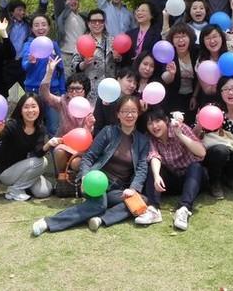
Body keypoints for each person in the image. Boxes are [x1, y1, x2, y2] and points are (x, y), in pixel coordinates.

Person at [32, 96, 149, 236]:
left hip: (118, 189)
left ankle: (100, 219)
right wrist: (85, 176)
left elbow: (142, 167)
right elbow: (89, 157)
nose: (129, 115)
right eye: (125, 111)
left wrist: (133, 188)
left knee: (141, 200)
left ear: (138, 113)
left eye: (133, 111)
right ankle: (49, 222)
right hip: (96, 180)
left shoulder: (142, 140)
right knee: (99, 204)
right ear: (118, 114)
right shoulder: (108, 132)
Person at [135, 108, 206, 230]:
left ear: (166, 120)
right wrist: (157, 176)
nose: (154, 126)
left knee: (196, 167)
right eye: (150, 123)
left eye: (158, 121)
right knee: (152, 167)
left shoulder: (181, 128)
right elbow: (154, 156)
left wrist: (180, 135)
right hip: (169, 182)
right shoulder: (149, 138)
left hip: (191, 180)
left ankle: (183, 209)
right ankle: (154, 210)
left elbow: (201, 152)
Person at [0, 94, 53, 201]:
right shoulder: (12, 125)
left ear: (39, 109)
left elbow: (38, 153)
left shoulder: (40, 128)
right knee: (42, 161)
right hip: (6, 172)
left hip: (25, 169)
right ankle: (15, 190)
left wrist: (49, 144)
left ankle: (23, 186)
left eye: (33, 106)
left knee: (44, 192)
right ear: (20, 110)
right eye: (26, 107)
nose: (30, 110)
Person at [40, 57, 95, 174]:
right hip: (63, 142)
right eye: (70, 89)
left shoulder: (90, 109)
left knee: (76, 163)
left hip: (81, 148)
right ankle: (61, 178)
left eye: (78, 89)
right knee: (59, 152)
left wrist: (89, 127)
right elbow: (45, 95)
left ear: (85, 90)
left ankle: (77, 180)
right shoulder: (63, 102)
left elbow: (86, 137)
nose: (74, 92)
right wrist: (49, 73)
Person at [21, 14, 66, 136]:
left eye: (43, 24)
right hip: (33, 92)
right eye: (36, 25)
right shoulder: (28, 45)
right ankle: (35, 149)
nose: (40, 28)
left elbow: (60, 69)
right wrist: (31, 62)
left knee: (54, 127)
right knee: (33, 127)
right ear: (32, 29)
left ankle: (53, 148)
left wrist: (63, 91)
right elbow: (24, 67)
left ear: (49, 27)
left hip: (53, 91)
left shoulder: (54, 45)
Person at [49, 0, 87, 76]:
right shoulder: (62, 14)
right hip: (66, 54)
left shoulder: (84, 17)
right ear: (65, 2)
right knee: (66, 82)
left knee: (81, 83)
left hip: (81, 56)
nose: (73, 1)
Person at [72, 9, 117, 105]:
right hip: (91, 88)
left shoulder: (112, 40)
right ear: (88, 24)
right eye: (93, 21)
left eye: (100, 21)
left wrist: (118, 58)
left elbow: (119, 63)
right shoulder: (82, 41)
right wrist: (84, 64)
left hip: (110, 86)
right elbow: (74, 66)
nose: (97, 24)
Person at [161, 23, 200, 123]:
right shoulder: (168, 53)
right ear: (172, 40)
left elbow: (200, 77)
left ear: (190, 38)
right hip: (173, 95)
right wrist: (171, 74)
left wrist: (194, 96)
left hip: (193, 94)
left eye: (184, 36)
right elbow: (165, 79)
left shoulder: (197, 51)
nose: (180, 40)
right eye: (177, 37)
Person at [93, 67, 139, 136]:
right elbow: (97, 126)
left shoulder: (134, 102)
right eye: (129, 81)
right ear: (118, 79)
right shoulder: (104, 97)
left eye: (135, 83)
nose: (132, 85)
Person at [193, 24, 228, 108]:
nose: (212, 41)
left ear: (221, 38)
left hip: (231, 98)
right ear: (203, 41)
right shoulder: (201, 62)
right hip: (212, 101)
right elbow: (207, 91)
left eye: (215, 36)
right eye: (208, 38)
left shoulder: (230, 56)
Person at [120, 2, 161, 67]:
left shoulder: (157, 35)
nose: (139, 13)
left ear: (151, 15)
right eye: (138, 10)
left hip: (148, 70)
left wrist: (141, 59)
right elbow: (124, 58)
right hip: (130, 70)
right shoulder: (129, 34)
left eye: (143, 10)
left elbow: (157, 56)